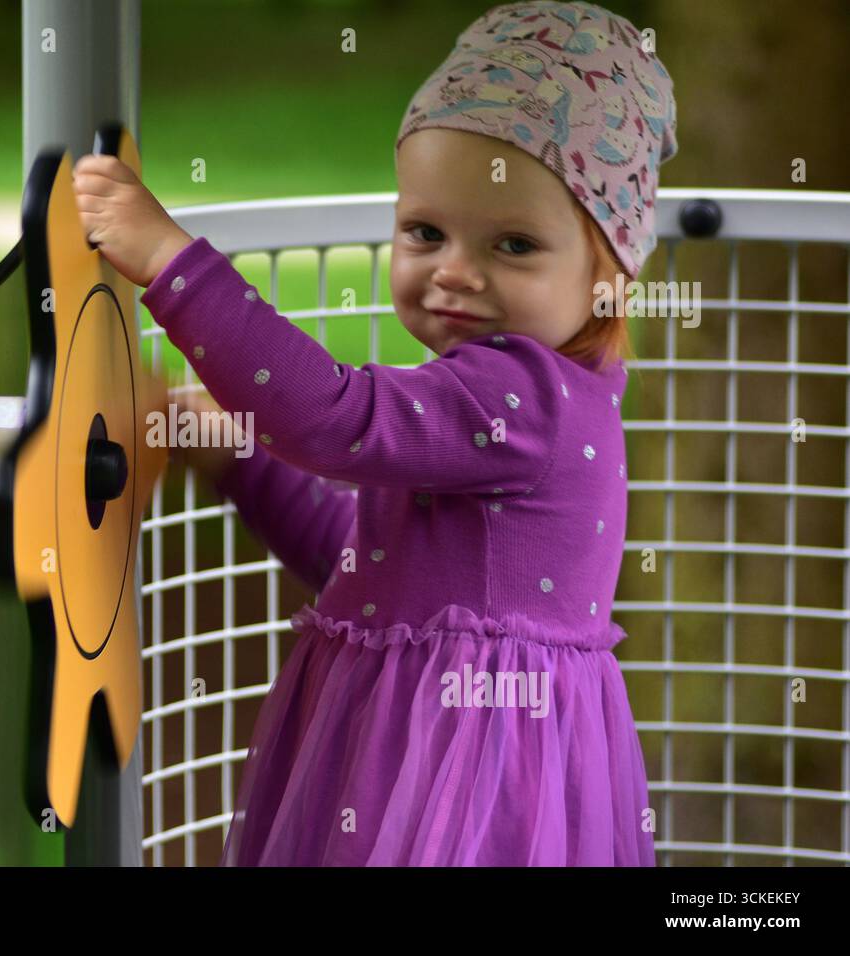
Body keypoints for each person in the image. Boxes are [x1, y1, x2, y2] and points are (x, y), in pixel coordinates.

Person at [73, 0, 677, 865]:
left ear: (606, 277)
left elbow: (334, 417)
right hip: (415, 772)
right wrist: (238, 457)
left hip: (461, 796)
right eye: (425, 232)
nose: (455, 272)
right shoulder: (504, 400)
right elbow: (359, 565)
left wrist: (170, 260)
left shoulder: (524, 396)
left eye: (513, 245)